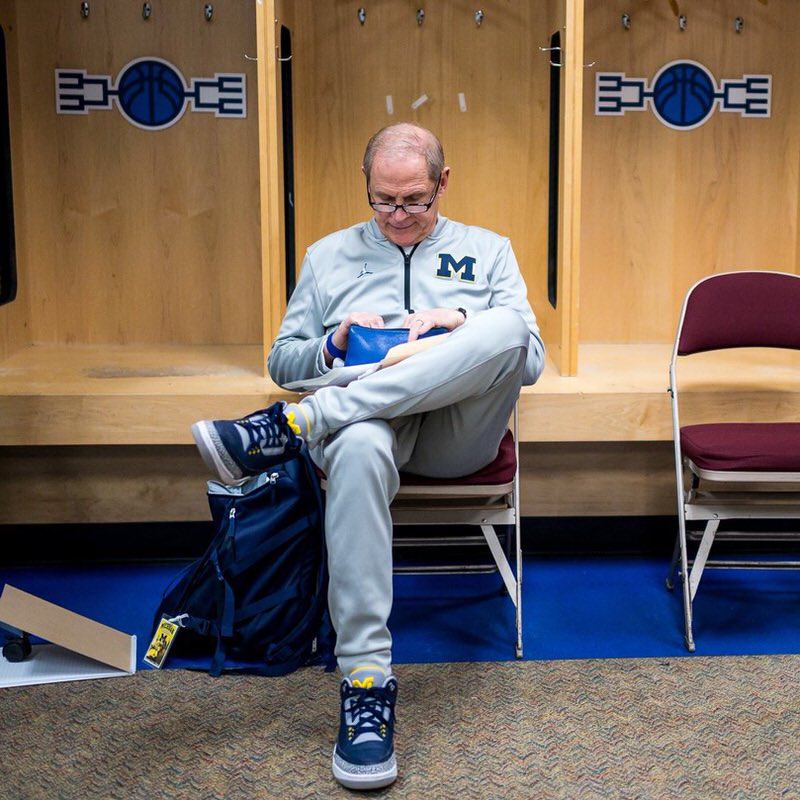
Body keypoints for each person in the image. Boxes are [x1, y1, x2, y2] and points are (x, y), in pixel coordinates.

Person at [191, 122, 545, 790]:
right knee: (354, 442)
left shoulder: (488, 250)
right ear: (367, 188)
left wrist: (455, 326)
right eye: (384, 201)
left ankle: (297, 426)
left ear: (444, 182)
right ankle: (365, 685)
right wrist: (332, 345)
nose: (399, 217)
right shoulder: (328, 255)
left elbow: (528, 361)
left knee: (504, 326)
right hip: (369, 435)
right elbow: (283, 358)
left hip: (454, 436)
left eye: (415, 201)